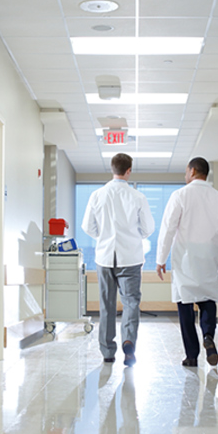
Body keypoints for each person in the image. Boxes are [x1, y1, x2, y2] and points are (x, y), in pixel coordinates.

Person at [155, 157, 218, 367]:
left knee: (185, 306)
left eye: (186, 171)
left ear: (192, 171)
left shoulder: (180, 195)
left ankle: (191, 356)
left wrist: (160, 259)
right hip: (209, 258)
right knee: (208, 300)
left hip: (185, 259)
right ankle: (208, 335)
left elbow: (168, 228)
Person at [82, 153, 154, 366]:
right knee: (131, 302)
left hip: (104, 257)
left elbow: (87, 226)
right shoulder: (137, 197)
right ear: (129, 170)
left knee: (106, 304)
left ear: (112, 169)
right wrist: (133, 237)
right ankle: (129, 342)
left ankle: (107, 351)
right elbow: (148, 228)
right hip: (130, 258)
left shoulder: (97, 195)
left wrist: (103, 237)